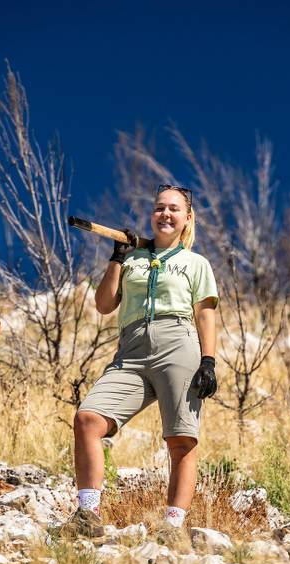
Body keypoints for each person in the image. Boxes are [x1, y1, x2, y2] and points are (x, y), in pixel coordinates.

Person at [62, 184, 219, 542]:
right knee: (88, 419)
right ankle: (88, 514)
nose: (165, 214)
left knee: (181, 439)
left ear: (187, 218)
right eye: (159, 208)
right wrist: (117, 257)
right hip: (130, 350)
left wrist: (208, 361)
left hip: (178, 344)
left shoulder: (195, 264)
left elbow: (205, 315)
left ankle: (173, 527)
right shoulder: (132, 258)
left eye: (174, 209)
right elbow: (104, 305)